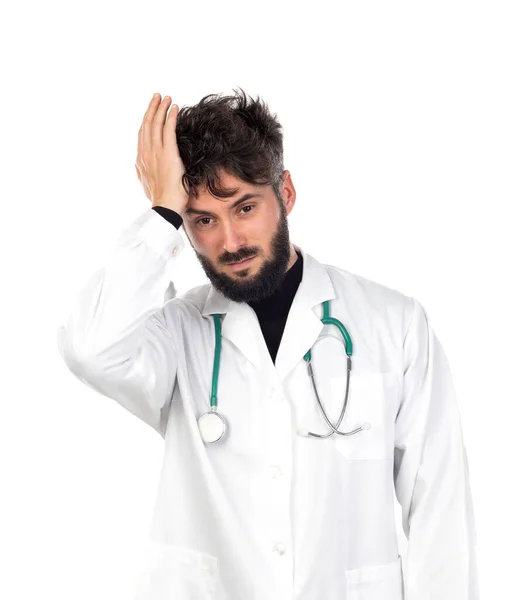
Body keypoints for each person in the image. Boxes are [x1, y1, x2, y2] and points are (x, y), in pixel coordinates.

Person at [57, 88, 479, 599]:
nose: (229, 241)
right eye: (202, 220)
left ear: (287, 194)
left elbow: (439, 506)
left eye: (245, 207)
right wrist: (161, 212)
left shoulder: (395, 324)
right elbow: (89, 348)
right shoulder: (175, 332)